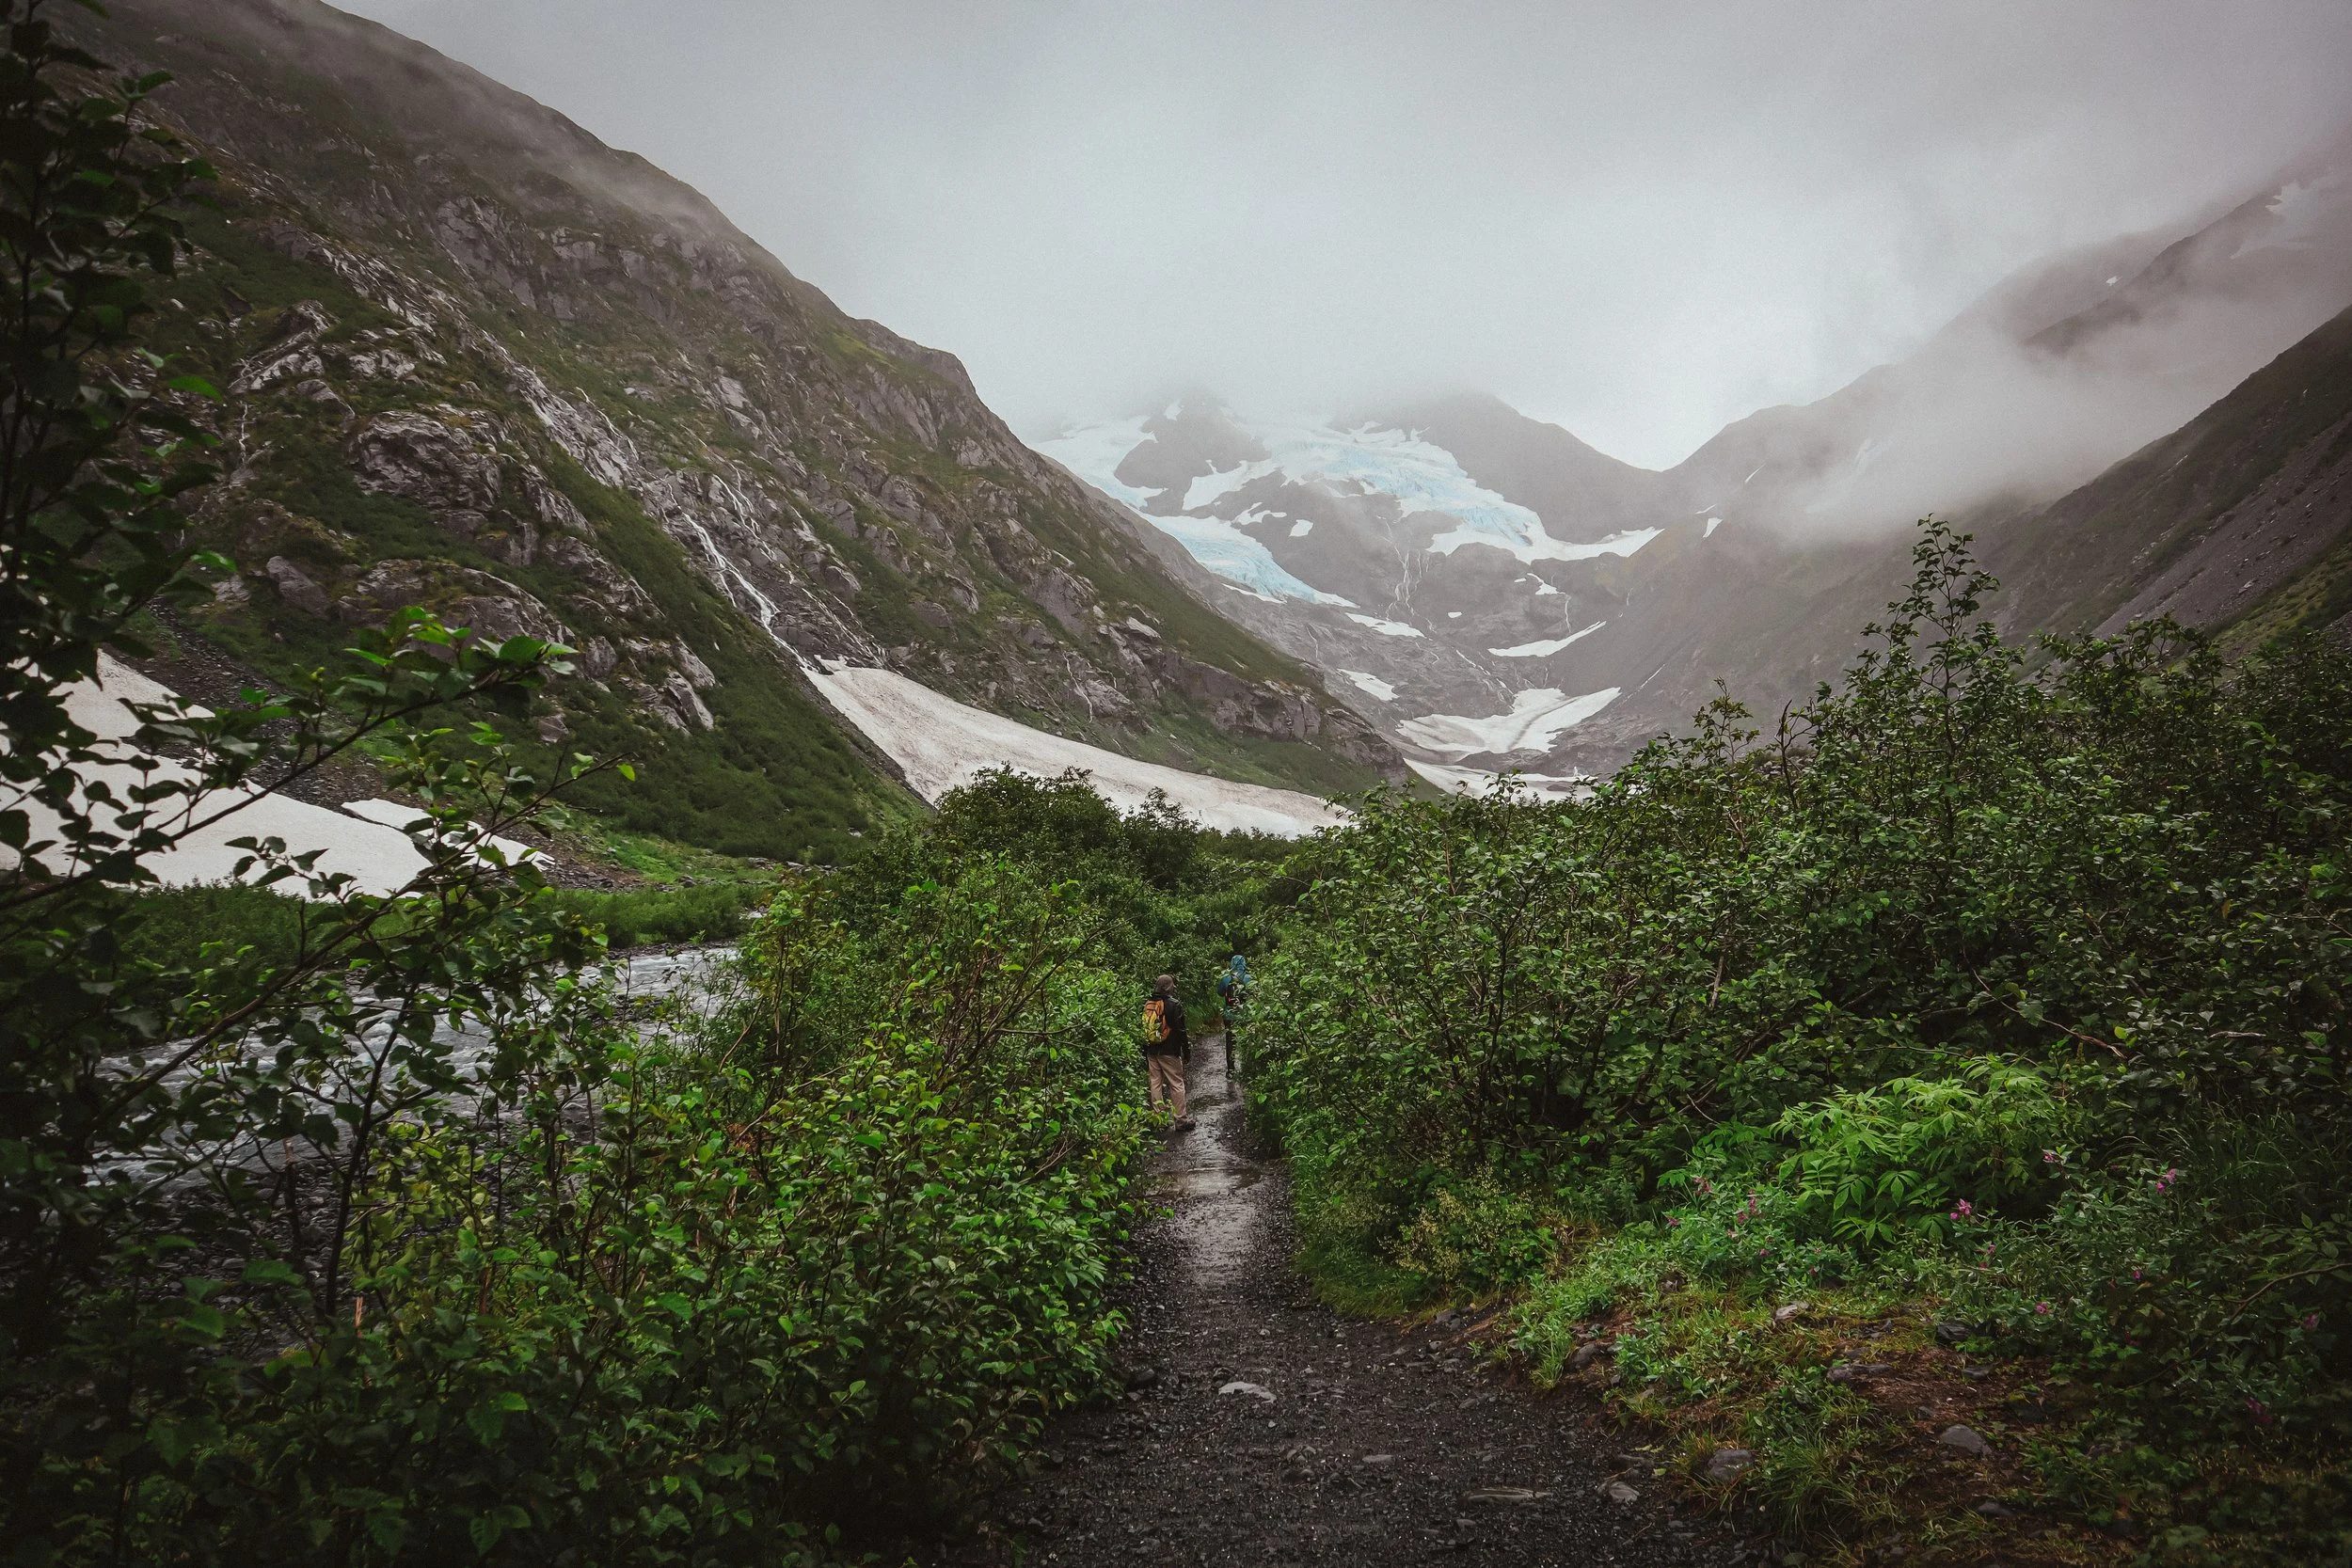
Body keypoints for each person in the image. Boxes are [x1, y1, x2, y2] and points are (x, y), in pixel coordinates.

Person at [1142, 972, 1193, 1130]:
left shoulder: (1148, 1003)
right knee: (1176, 1083)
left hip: (1152, 1050)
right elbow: (1180, 1030)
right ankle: (1181, 1120)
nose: (1174, 988)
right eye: (1172, 985)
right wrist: (1186, 1049)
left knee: (1155, 1083)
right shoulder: (1173, 1004)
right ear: (1168, 987)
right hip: (1169, 1051)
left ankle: (1159, 1120)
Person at [1215, 953, 1249, 1076]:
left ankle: (1230, 1070)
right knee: (1247, 1041)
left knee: (1230, 1041)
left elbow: (1220, 993)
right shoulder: (1249, 978)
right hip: (1245, 1015)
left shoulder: (1226, 978)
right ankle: (1246, 1069)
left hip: (1229, 1015)